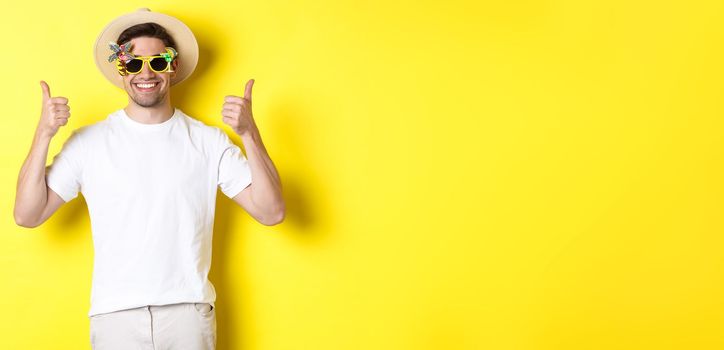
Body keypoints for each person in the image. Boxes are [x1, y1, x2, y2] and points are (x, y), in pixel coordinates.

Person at [13, 9, 285, 350]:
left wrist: (249, 134)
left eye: (157, 62)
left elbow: (271, 212)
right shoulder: (88, 143)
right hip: (115, 318)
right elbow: (27, 214)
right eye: (132, 63)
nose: (145, 73)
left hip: (187, 314)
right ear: (120, 69)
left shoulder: (208, 141)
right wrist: (43, 135)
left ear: (171, 68)